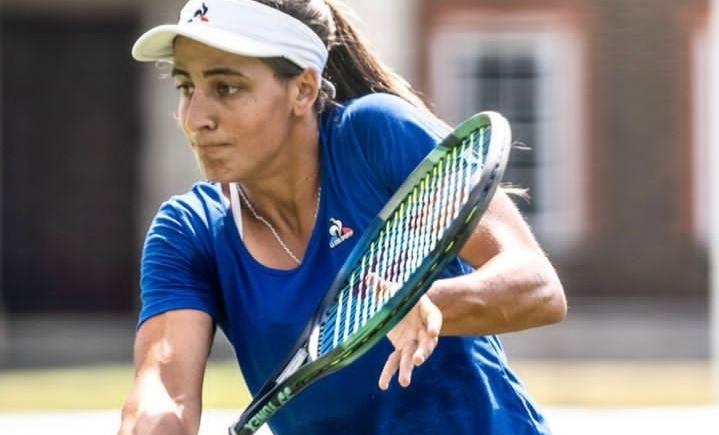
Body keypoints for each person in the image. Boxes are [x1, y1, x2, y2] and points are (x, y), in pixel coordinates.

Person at [118, 0, 567, 434]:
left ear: (303, 89)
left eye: (227, 87)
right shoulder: (189, 232)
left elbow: (539, 287)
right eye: (185, 86)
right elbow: (164, 389)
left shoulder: (376, 135)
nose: (195, 117)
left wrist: (428, 303)